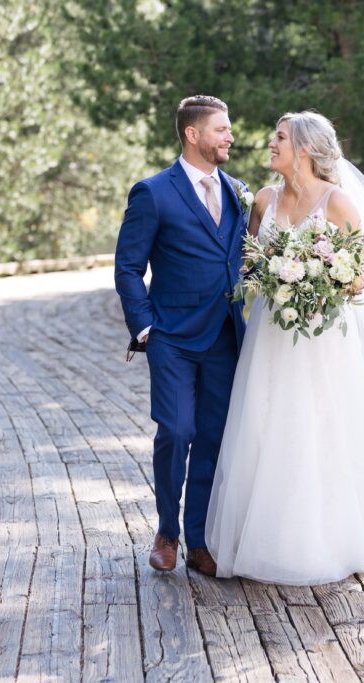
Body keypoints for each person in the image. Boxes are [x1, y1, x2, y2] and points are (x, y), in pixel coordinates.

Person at [205, 111, 364, 585]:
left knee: (318, 430)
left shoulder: (339, 203)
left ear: (303, 149)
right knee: (263, 425)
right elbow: (244, 265)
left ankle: (321, 542)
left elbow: (361, 275)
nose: (270, 143)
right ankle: (258, 538)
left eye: (279, 137)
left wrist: (320, 283)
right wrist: (276, 278)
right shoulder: (262, 201)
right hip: (270, 336)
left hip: (322, 343)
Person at [114, 95, 252, 576]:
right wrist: (146, 326)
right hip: (170, 336)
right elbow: (128, 267)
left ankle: (199, 540)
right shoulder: (153, 193)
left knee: (212, 437)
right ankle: (166, 532)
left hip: (225, 337)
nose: (230, 136)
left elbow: (243, 255)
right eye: (221, 129)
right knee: (177, 430)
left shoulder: (238, 191)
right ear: (193, 134)